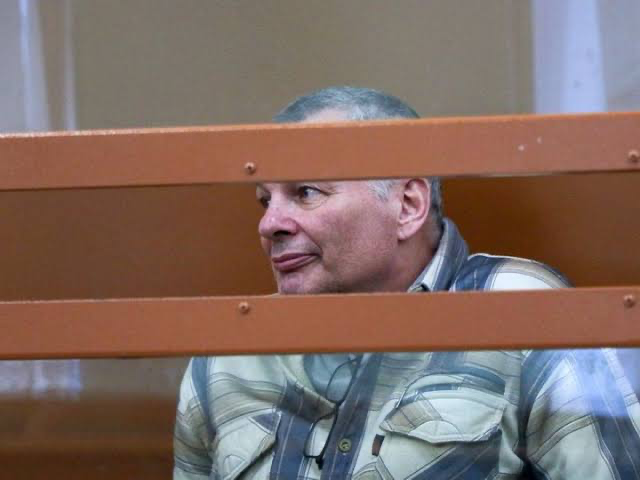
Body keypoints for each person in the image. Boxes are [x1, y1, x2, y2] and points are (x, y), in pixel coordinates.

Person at [174, 87, 640, 479]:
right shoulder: (232, 351)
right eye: (264, 200)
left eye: (306, 192)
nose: (270, 224)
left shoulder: (520, 310)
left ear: (408, 206)